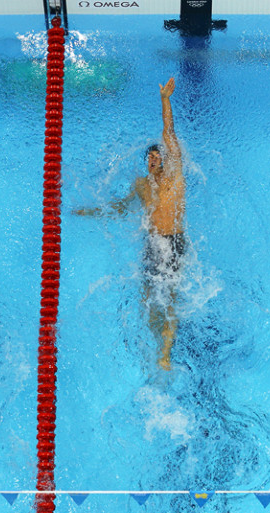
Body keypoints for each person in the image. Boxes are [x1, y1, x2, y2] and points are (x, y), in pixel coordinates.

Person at [75, 77, 186, 371]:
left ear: (165, 159)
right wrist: (90, 212)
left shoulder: (175, 176)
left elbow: (169, 132)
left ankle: (166, 352)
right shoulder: (141, 184)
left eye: (156, 155)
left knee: (170, 299)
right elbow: (120, 208)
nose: (152, 160)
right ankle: (158, 340)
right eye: (148, 157)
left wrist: (165, 100)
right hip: (152, 244)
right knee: (148, 300)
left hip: (173, 241)